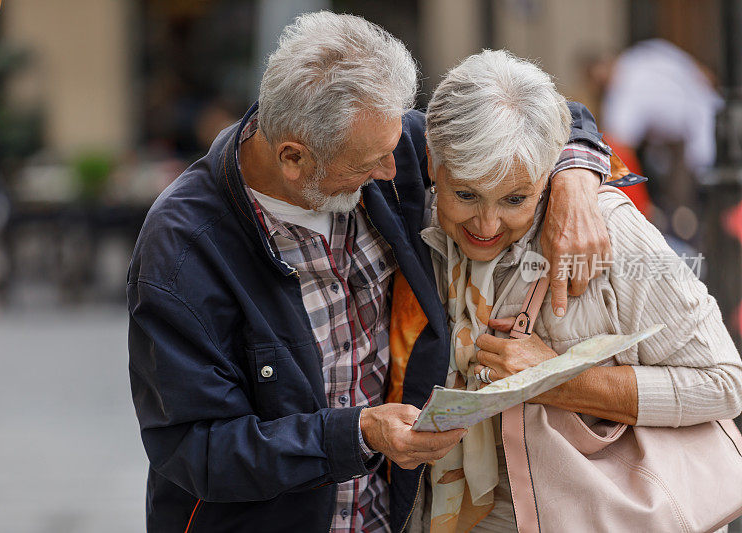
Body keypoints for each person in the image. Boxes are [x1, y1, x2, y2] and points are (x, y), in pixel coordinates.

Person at [127, 13, 614, 532]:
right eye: (370, 164)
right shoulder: (182, 247)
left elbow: (539, 118)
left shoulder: (380, 140)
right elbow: (195, 448)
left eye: (394, 147)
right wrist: (355, 435)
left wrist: (575, 178)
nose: (394, 168)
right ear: (294, 158)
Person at [392, 49, 742, 532]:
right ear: (434, 164)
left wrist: (554, 378)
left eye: (516, 199)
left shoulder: (607, 229)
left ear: (546, 173)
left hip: (601, 514)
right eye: (466, 195)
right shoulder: (411, 219)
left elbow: (724, 383)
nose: (487, 224)